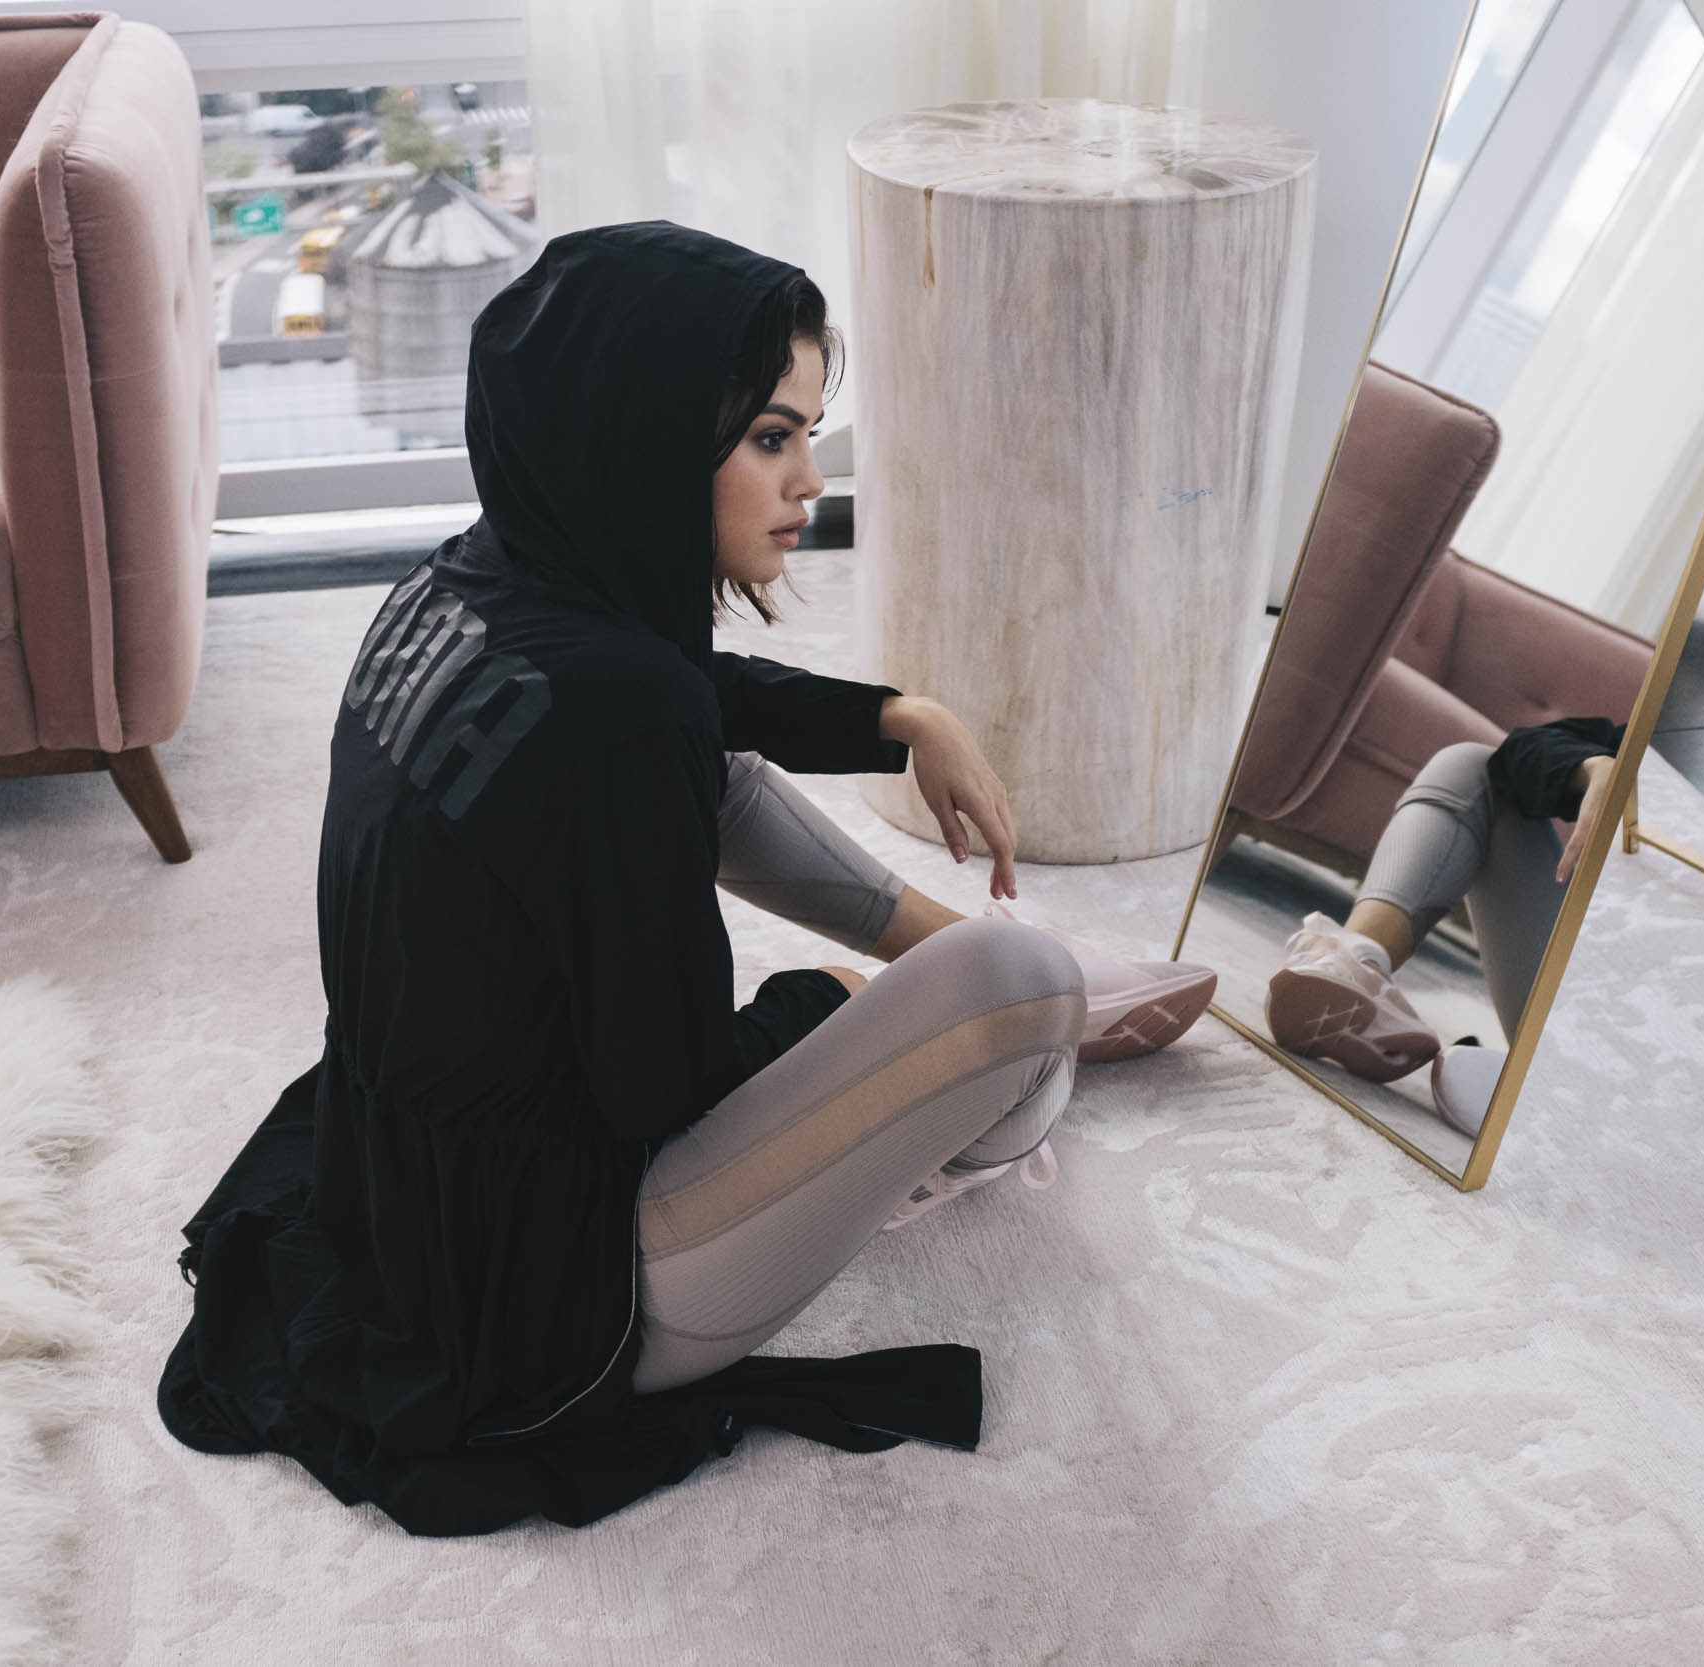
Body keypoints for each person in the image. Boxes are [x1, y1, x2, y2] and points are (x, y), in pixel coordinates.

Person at [156, 222, 1218, 1537]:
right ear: (647, 436)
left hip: (401, 1200)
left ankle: (958, 977)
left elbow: (683, 701)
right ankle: (1018, 1078)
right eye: (772, 438)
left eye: (807, 435)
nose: (810, 481)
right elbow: (663, 1089)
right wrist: (822, 1019)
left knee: (717, 787)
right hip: (560, 1307)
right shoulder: (622, 715)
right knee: (1019, 984)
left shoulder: (466, 580)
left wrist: (899, 713)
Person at [1264, 719, 1623, 1135]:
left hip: (1653, 1055)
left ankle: (1568, 1103)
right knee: (1473, 767)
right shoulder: (1671, 746)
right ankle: (1355, 964)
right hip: (1589, 997)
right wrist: (1597, 766)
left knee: (1470, 1075)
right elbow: (1521, 749)